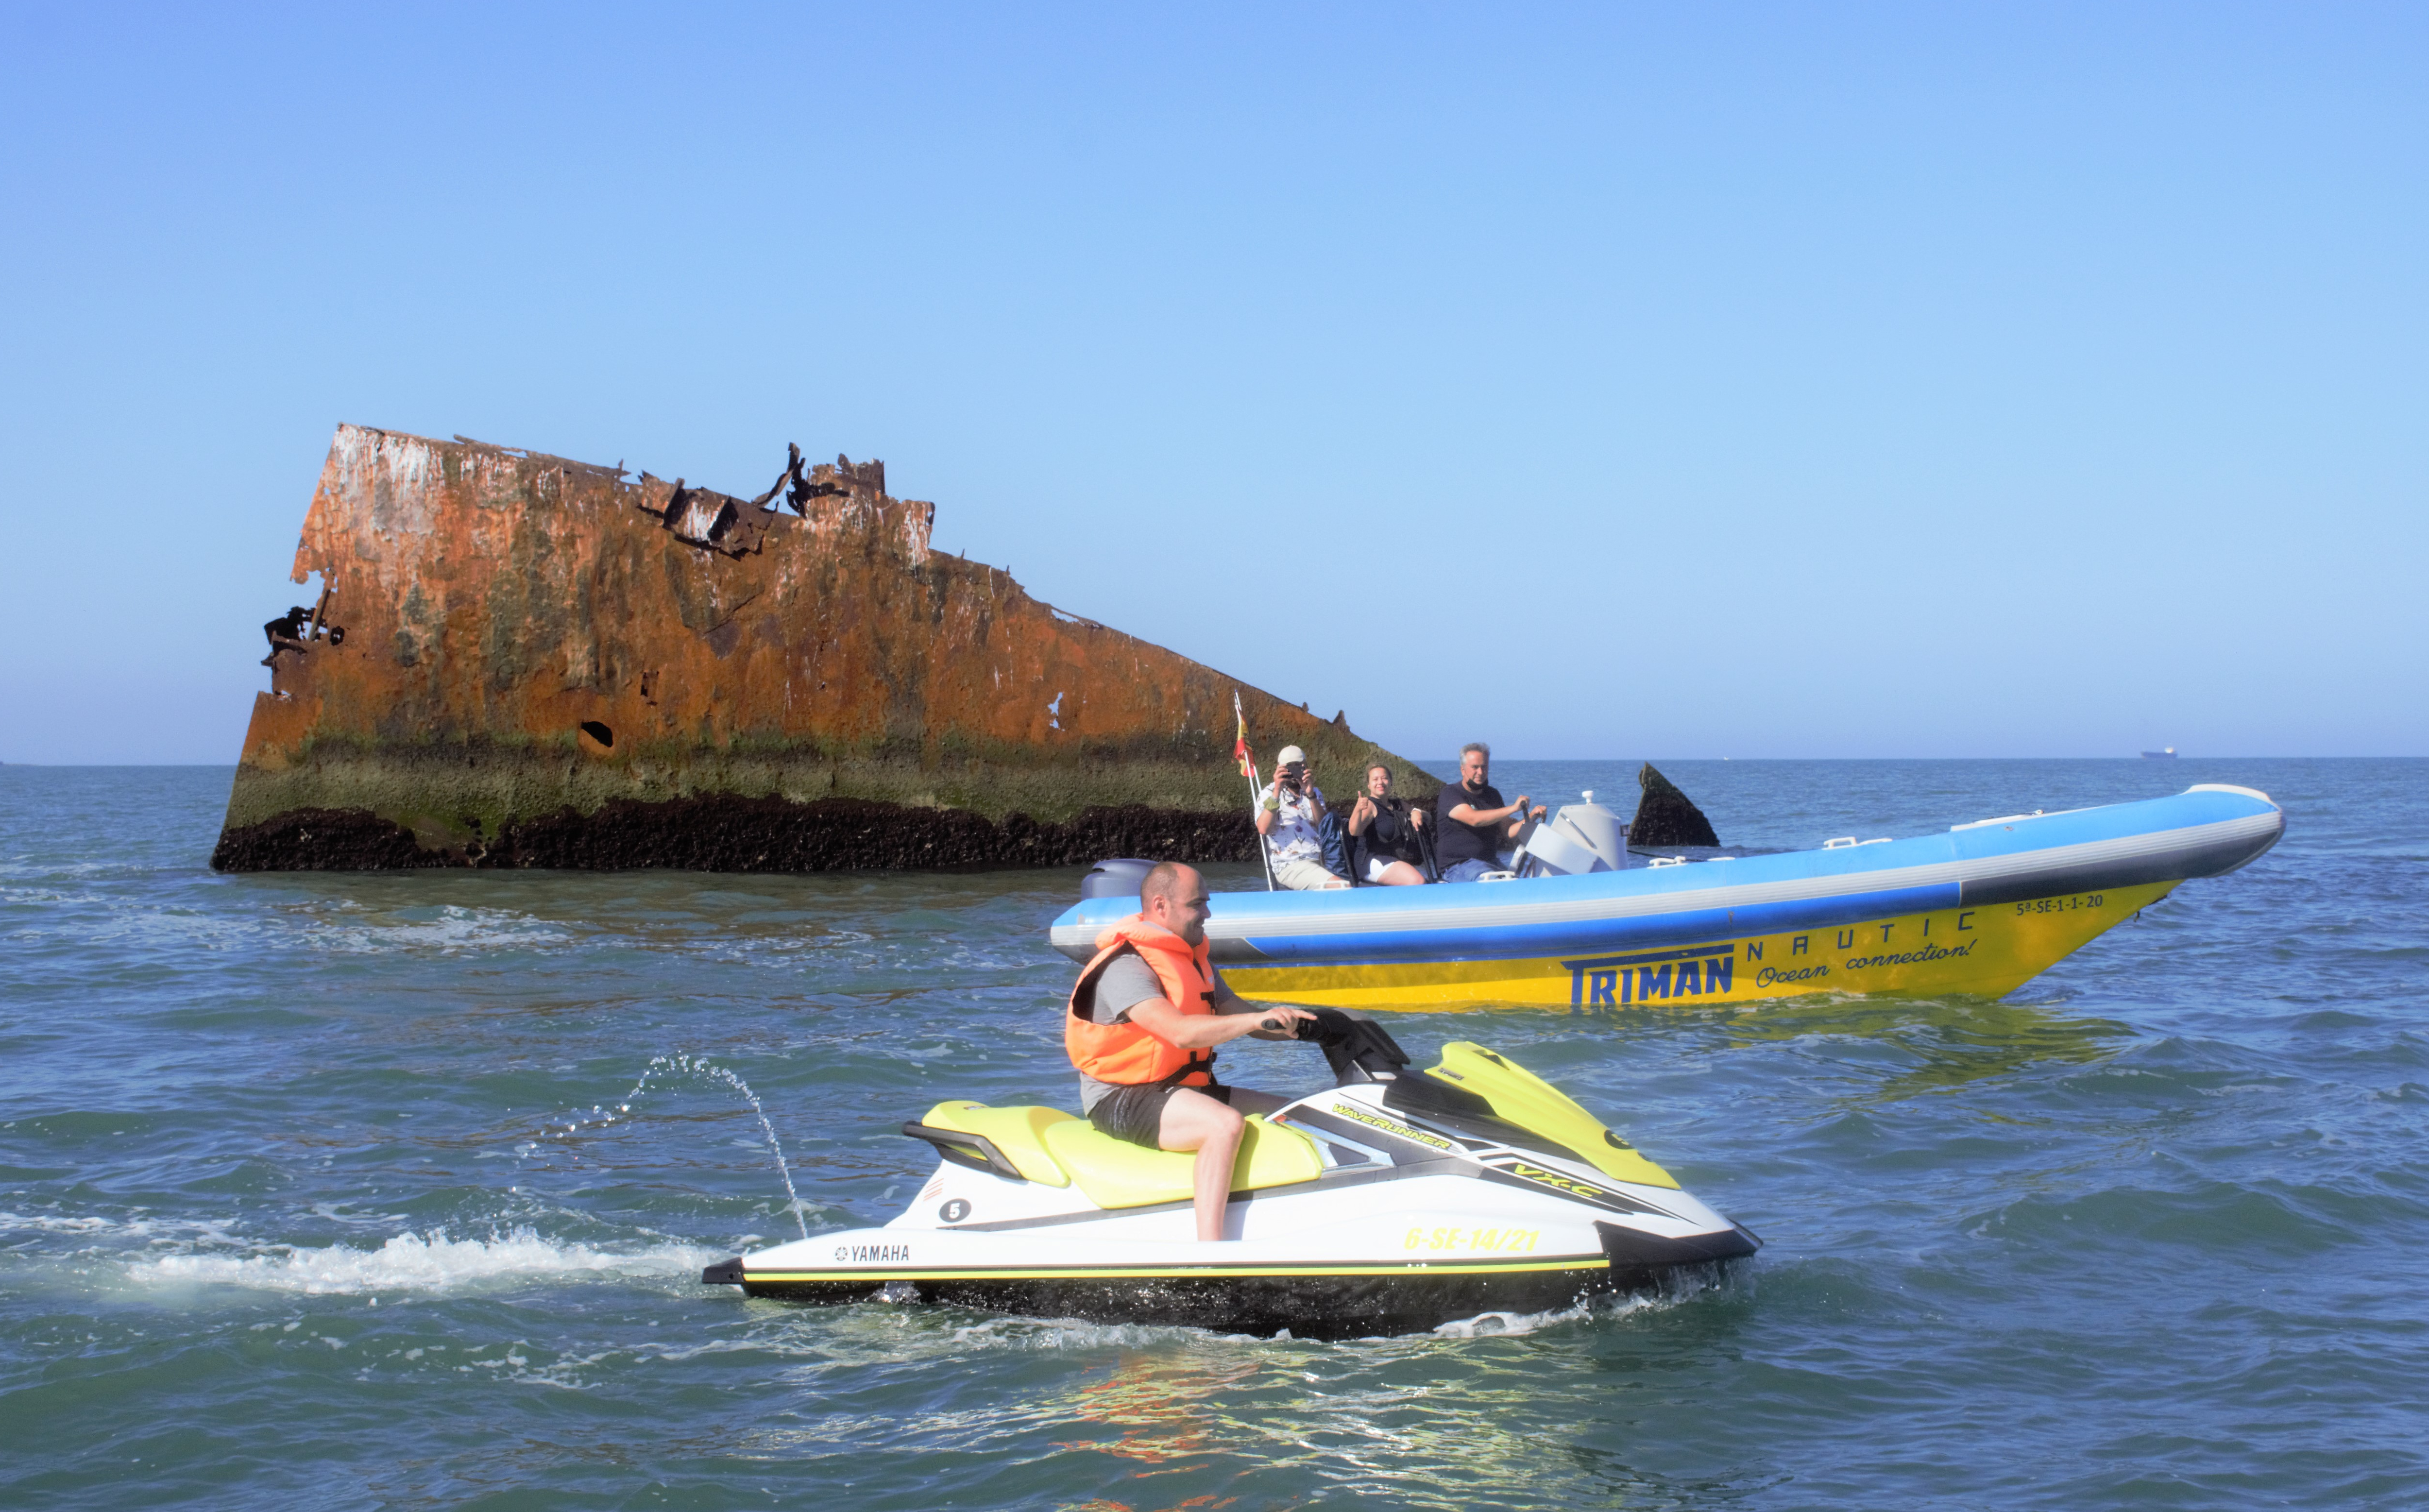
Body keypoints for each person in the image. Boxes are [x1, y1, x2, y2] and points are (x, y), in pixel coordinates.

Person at [1066, 862, 1318, 1240]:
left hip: (1182, 1089)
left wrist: (1316, 1027)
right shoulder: (1126, 965)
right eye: (1197, 904)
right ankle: (1210, 1253)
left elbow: (1248, 1019)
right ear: (1160, 905)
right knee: (1224, 1124)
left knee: (1296, 1114)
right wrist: (1255, 1021)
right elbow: (1180, 1033)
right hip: (1120, 1097)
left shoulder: (1193, 958)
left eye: (1206, 902)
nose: (1208, 913)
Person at [1432, 742, 1545, 883]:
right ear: (1463, 769)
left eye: (1484, 767)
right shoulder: (1450, 794)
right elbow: (1474, 819)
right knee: (1498, 882)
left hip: (1490, 863)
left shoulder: (1493, 795)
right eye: (1475, 767)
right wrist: (1514, 808)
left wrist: (1532, 816)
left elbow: (1508, 831)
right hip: (1458, 866)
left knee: (1518, 883)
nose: (1480, 772)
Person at [1255, 745, 1348, 890]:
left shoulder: (1314, 792)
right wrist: (1277, 792)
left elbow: (1323, 826)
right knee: (1342, 887)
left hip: (1322, 859)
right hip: (1290, 864)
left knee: (1355, 883)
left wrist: (1310, 794)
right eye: (1289, 768)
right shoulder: (1269, 793)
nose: (1293, 773)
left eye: (1298, 767)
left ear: (1306, 767)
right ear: (1279, 769)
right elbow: (1263, 828)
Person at [1346, 763, 1430, 885]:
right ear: (1369, 785)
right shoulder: (1369, 805)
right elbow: (1354, 831)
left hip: (1396, 859)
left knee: (1430, 879)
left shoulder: (1397, 804)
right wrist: (1358, 810)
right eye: (1375, 779)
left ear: (1391, 782)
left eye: (1384, 778)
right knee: (1418, 881)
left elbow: (1427, 816)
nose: (1380, 782)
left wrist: (1416, 812)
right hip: (1372, 860)